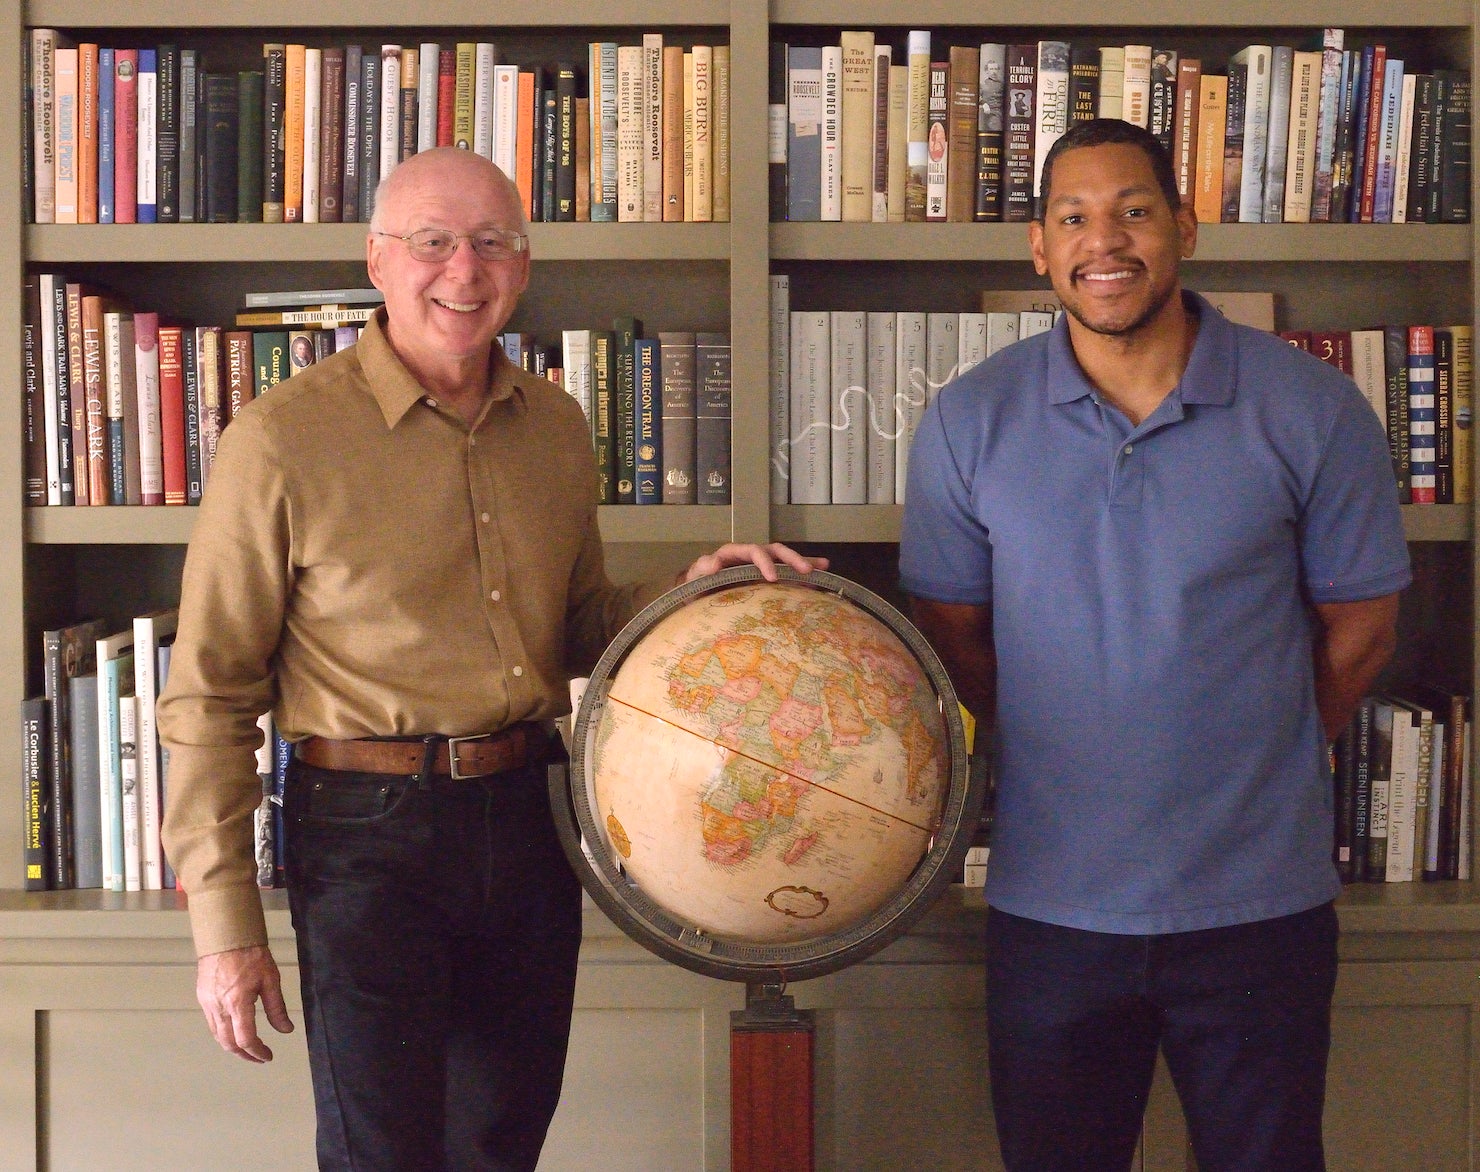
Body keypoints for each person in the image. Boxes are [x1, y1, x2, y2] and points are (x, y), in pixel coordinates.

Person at [158, 146, 825, 1172]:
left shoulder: (556, 427)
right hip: (365, 839)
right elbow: (209, 692)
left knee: (501, 1143)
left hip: (529, 821)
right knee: (383, 1153)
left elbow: (577, 627)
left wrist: (696, 593)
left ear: (523, 262)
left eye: (492, 242)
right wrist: (223, 925)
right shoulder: (280, 439)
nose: (462, 271)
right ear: (377, 260)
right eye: (431, 242)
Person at [899, 119, 1410, 1171]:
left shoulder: (1315, 409)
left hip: (1260, 907)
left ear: (1185, 225)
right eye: (1074, 217)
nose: (1107, 240)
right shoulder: (967, 423)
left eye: (1135, 210)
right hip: (1051, 908)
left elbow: (1362, 631)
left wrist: (1255, 742)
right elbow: (954, 638)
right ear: (1038, 247)